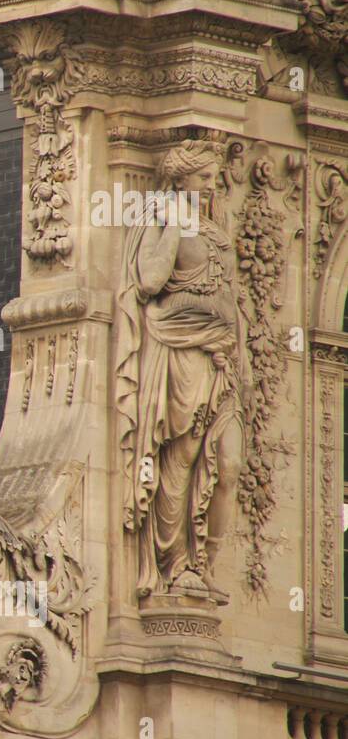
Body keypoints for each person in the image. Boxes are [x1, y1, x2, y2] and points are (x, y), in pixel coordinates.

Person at [116, 140, 249, 605]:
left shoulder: (215, 229)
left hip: (220, 361)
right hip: (182, 353)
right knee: (182, 460)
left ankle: (207, 564)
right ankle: (176, 566)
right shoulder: (159, 219)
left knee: (229, 463)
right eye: (205, 178)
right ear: (180, 180)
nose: (214, 185)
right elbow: (150, 282)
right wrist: (174, 225)